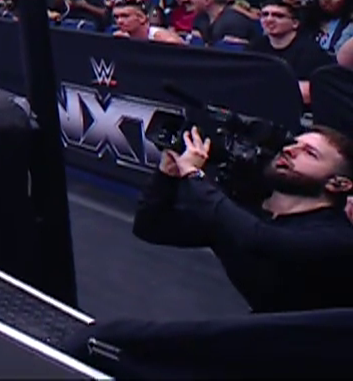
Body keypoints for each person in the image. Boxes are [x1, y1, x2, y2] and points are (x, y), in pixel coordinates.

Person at [133, 125, 353, 312]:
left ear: (338, 184)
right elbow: (151, 226)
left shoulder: (338, 236)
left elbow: (262, 241)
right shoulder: (248, 213)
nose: (289, 150)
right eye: (293, 143)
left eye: (310, 153)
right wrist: (167, 176)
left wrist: (194, 175)